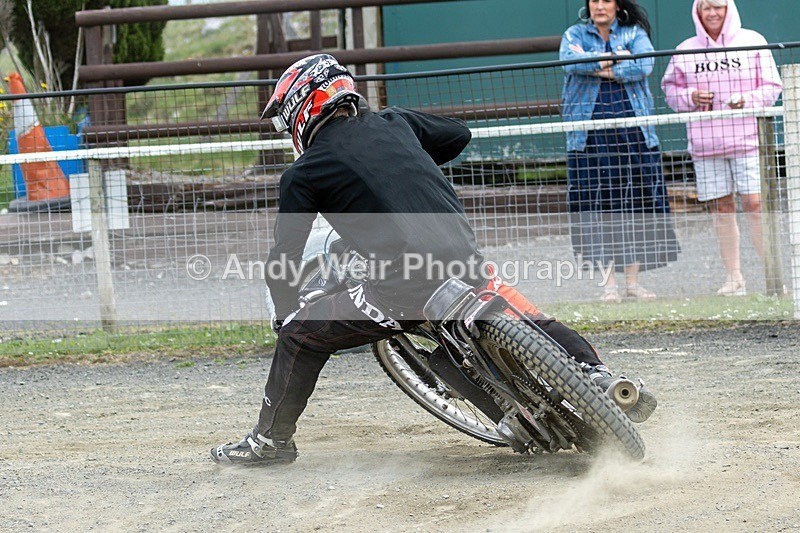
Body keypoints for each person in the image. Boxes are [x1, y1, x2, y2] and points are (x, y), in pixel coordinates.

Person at [210, 54, 657, 466]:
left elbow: (284, 255)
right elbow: (459, 134)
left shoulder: (304, 172)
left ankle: (270, 441)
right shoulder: (395, 122)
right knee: (528, 315)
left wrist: (285, 312)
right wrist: (409, 154)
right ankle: (598, 376)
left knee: (301, 337)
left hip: (403, 287)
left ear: (302, 111)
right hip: (464, 257)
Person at [560, 0, 680, 303]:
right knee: (597, 207)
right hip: (588, 138)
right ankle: (608, 286)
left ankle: (632, 283)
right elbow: (569, 61)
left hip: (634, 134)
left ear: (617, 5)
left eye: (607, 0)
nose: (600, 6)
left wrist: (596, 66)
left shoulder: (634, 32)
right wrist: (615, 59)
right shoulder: (574, 33)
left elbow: (644, 64)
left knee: (636, 204)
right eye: (594, 0)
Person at [661, 0, 782, 296]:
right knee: (721, 210)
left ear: (729, 9)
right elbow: (670, 90)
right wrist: (691, 96)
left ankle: (773, 276)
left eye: (718, 7)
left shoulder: (753, 42)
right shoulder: (684, 50)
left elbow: (771, 87)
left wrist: (744, 100)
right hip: (706, 146)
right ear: (697, 12)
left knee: (755, 205)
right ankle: (734, 277)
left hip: (749, 142)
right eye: (706, 8)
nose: (713, 13)